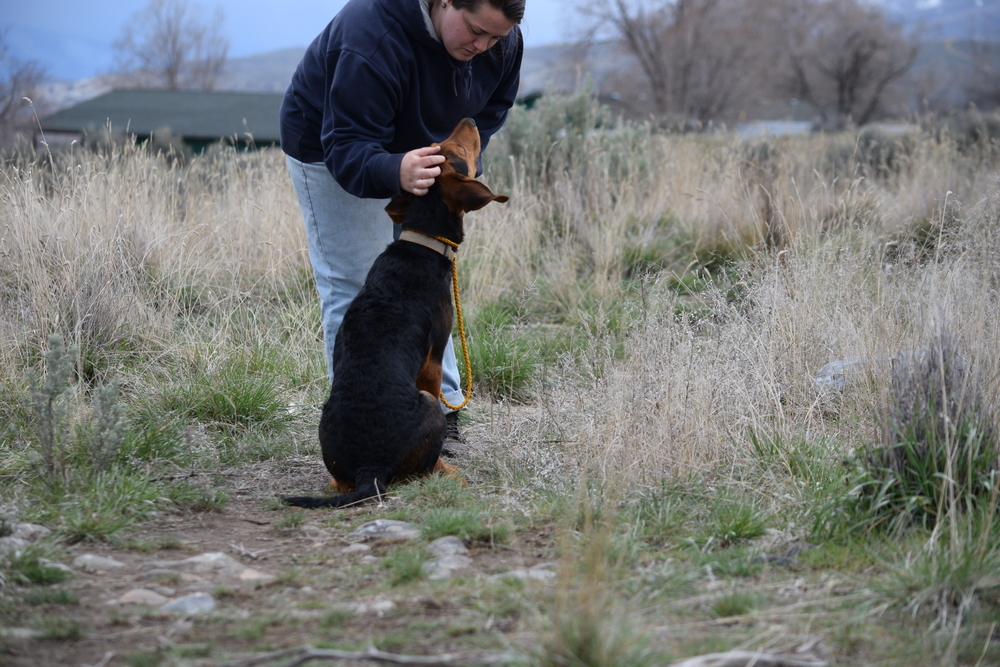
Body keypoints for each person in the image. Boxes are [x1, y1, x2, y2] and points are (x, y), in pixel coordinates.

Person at [279, 0, 524, 450]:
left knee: (428, 277)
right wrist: (396, 171)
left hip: (421, 151)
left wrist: (450, 167)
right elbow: (347, 147)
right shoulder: (370, 40)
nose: (483, 46)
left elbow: (489, 112)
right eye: (475, 31)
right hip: (335, 148)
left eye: (496, 38)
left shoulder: (499, 39)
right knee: (354, 285)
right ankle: (361, 438)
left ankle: (440, 414)